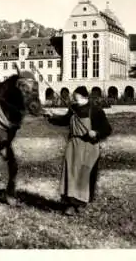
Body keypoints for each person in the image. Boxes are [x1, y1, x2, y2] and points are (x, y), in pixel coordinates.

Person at [45, 86, 112, 216]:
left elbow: (107, 129)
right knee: (70, 173)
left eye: (75, 97)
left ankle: (81, 203)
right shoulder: (73, 108)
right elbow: (64, 120)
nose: (73, 99)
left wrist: (96, 132)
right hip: (73, 145)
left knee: (84, 174)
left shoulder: (96, 110)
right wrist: (51, 116)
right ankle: (70, 203)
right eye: (73, 97)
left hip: (89, 147)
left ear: (83, 96)